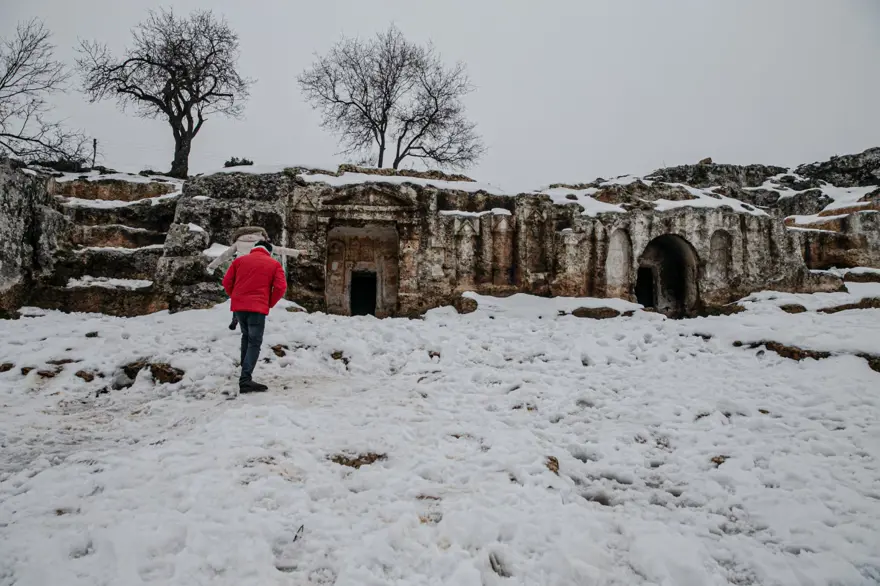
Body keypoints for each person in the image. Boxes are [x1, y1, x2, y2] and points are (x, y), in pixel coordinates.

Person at [221, 240, 287, 396]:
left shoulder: (239, 261)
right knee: (255, 341)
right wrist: (269, 302)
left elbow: (226, 282)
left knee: (246, 337)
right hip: (257, 309)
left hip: (239, 308)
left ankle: (244, 374)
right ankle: (245, 380)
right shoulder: (274, 264)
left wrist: (236, 297)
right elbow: (281, 287)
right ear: (269, 251)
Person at [207, 227, 304, 330]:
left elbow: (225, 255)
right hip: (257, 272)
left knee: (239, 294)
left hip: (241, 272)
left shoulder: (239, 242)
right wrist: (298, 252)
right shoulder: (261, 243)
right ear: (261, 233)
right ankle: (253, 320)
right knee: (256, 294)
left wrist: (212, 266)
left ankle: (236, 317)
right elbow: (280, 250)